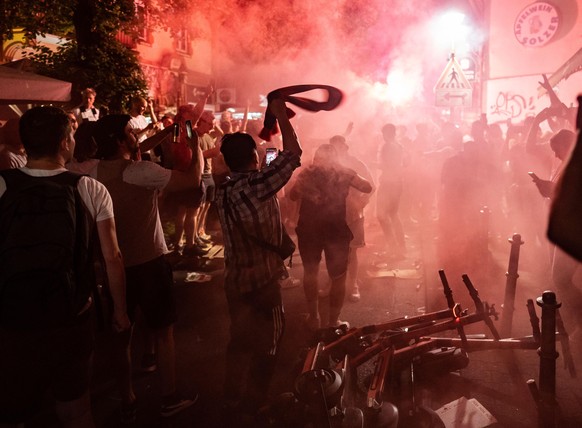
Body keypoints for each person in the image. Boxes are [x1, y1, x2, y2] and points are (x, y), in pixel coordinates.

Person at [0, 106, 130, 427]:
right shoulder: (90, 188)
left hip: (12, 318)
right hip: (71, 317)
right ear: (63, 143)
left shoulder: (2, 185)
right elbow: (112, 256)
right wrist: (120, 311)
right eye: (71, 134)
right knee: (76, 409)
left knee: (13, 411)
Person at [90, 114, 202, 421]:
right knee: (164, 330)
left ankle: (127, 397)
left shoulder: (90, 171)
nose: (134, 135)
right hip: (149, 262)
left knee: (120, 332)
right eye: (129, 132)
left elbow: (136, 149)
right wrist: (195, 145)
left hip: (114, 266)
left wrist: (166, 132)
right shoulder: (140, 171)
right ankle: (169, 397)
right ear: (118, 139)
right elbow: (191, 179)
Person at [215, 97, 302, 422]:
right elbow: (293, 155)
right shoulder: (258, 185)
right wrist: (279, 114)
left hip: (235, 281)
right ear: (253, 157)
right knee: (269, 343)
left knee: (239, 340)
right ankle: (256, 404)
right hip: (263, 283)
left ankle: (231, 398)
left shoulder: (223, 190)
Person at [290, 143, 372, 329]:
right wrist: (347, 173)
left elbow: (293, 195)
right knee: (338, 277)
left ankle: (314, 318)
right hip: (335, 231)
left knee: (310, 273)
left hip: (309, 231)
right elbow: (366, 187)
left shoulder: (306, 175)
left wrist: (305, 180)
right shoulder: (344, 173)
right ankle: (334, 322)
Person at [329, 134, 374, 302]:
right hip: (333, 214)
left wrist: (363, 202)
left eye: (339, 146)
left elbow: (371, 185)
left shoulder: (356, 164)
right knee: (333, 250)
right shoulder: (328, 166)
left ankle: (353, 284)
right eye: (333, 147)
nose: (337, 150)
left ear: (346, 147)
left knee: (352, 250)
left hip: (353, 214)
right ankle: (332, 283)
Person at [376, 123, 407, 259]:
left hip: (389, 183)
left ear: (389, 133)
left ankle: (395, 247)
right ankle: (399, 247)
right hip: (396, 183)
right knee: (392, 215)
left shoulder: (389, 146)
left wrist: (372, 164)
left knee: (382, 215)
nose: (383, 136)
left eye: (384, 133)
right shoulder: (398, 145)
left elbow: (389, 165)